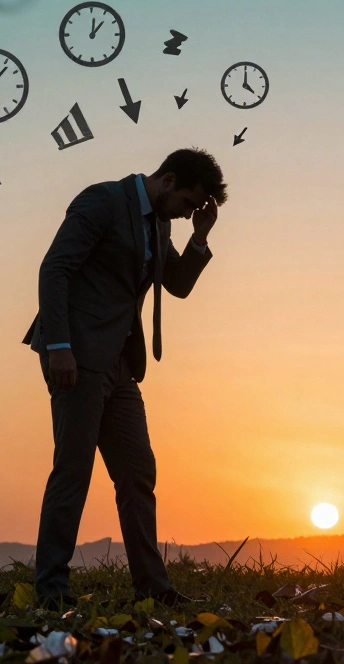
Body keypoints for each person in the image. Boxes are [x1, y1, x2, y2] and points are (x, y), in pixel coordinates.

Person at [21, 148, 227, 608]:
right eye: (189, 203)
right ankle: (51, 590)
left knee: (137, 473)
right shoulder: (102, 201)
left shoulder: (161, 221)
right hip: (76, 355)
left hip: (120, 365)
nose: (188, 212)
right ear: (169, 180)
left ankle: (153, 589)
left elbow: (175, 284)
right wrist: (58, 346)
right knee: (73, 472)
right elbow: (54, 269)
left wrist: (199, 237)